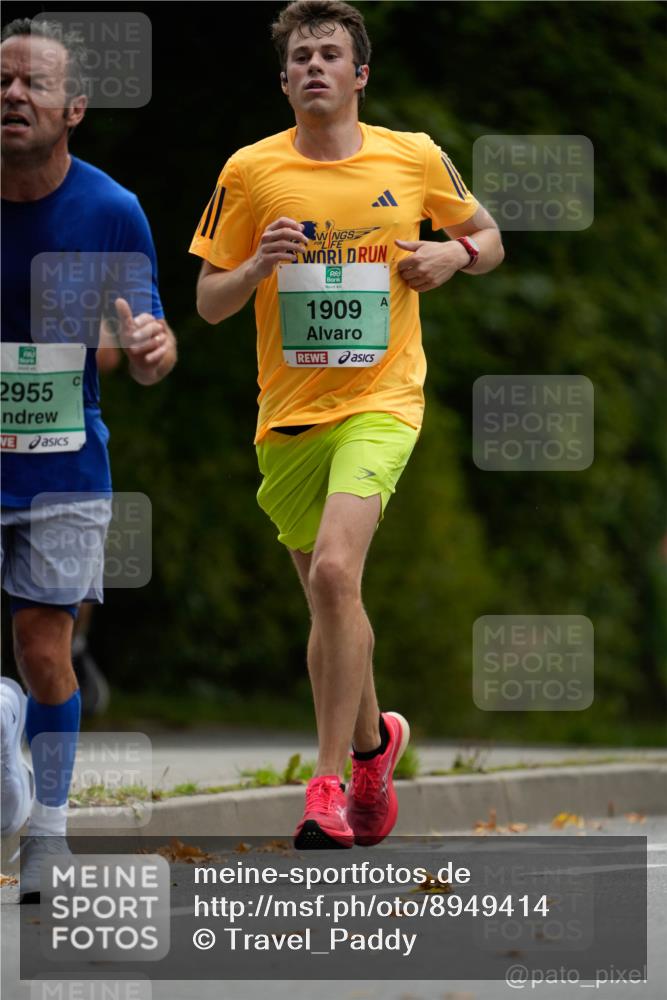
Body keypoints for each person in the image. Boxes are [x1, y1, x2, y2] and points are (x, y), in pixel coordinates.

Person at [190, 0, 504, 849]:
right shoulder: (250, 171)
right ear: (285, 79)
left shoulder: (413, 156)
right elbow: (209, 304)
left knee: (333, 574)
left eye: (332, 54)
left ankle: (324, 785)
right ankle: (375, 747)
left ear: (359, 74)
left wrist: (452, 253)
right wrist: (258, 262)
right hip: (287, 417)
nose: (316, 67)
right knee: (332, 600)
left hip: (383, 401)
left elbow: (488, 236)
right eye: (301, 57)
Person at [0, 18, 177, 901]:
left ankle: (48, 840)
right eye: (2, 80)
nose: (12, 93)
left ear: (73, 108)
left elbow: (146, 333)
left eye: (31, 82)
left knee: (43, 648)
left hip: (63, 465)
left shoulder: (112, 208)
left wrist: (148, 348)